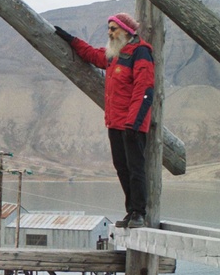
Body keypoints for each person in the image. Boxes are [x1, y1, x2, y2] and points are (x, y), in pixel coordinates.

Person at [54, 13, 155, 229]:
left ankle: (139, 212)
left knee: (135, 167)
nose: (109, 33)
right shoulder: (114, 55)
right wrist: (71, 40)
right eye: (108, 28)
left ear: (127, 32)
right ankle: (130, 212)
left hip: (132, 124)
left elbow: (144, 88)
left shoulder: (141, 52)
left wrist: (134, 122)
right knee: (122, 167)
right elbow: (92, 55)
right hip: (115, 123)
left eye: (113, 29)